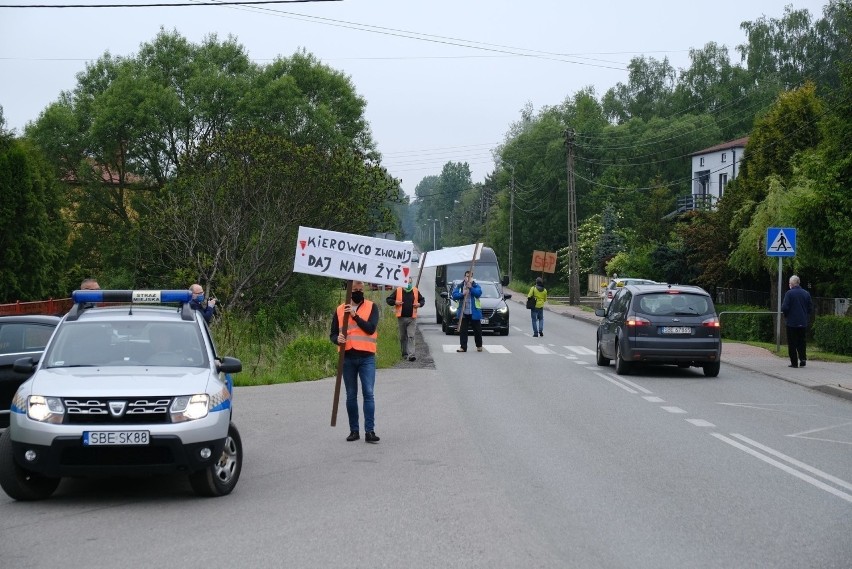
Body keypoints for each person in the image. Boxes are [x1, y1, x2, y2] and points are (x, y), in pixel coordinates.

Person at [329, 280, 380, 443]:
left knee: (368, 393)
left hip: (366, 357)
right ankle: (354, 430)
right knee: (351, 395)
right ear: (348, 291)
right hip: (347, 357)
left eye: (360, 290)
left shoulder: (372, 307)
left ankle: (370, 431)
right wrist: (338, 338)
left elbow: (370, 328)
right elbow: (332, 334)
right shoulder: (339, 310)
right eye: (355, 290)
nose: (358, 292)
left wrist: (354, 315)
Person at [386, 281, 426, 362]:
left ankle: (412, 355)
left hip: (412, 318)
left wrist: (419, 304)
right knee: (403, 337)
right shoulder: (398, 290)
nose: (408, 283)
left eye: (410, 282)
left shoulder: (415, 290)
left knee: (411, 335)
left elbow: (422, 300)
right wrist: (395, 302)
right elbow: (388, 299)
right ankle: (404, 353)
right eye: (406, 282)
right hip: (401, 318)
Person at [781, 274, 813, 368]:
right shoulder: (806, 293)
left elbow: (785, 307)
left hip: (792, 322)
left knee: (792, 343)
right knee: (802, 341)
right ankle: (803, 359)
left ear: (792, 284)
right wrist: (805, 315)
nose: (789, 284)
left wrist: (786, 315)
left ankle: (794, 362)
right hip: (802, 322)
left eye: (789, 283)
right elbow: (810, 307)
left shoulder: (789, 293)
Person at [452, 271, 483, 353]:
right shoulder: (460, 286)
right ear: (464, 277)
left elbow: (478, 293)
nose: (468, 278)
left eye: (470, 276)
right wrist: (462, 294)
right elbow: (454, 295)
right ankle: (463, 347)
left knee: (477, 330)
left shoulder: (476, 285)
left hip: (474, 313)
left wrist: (471, 288)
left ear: (472, 277)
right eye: (467, 276)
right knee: (463, 331)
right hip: (463, 312)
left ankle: (479, 345)